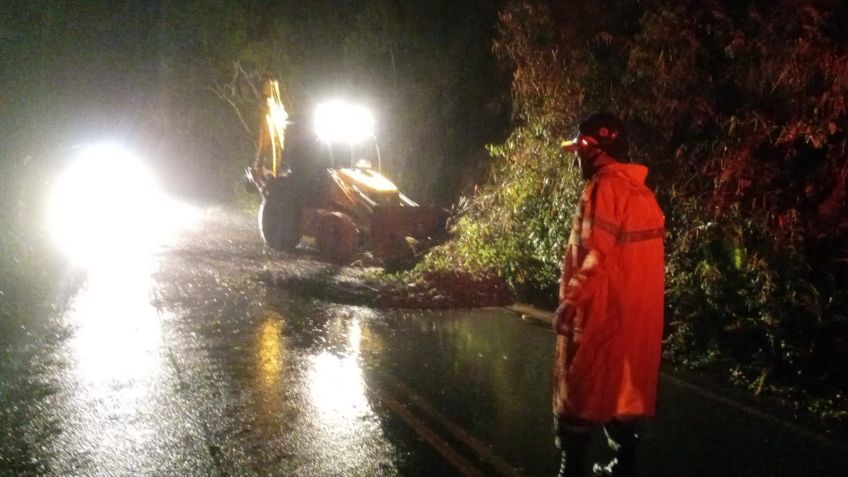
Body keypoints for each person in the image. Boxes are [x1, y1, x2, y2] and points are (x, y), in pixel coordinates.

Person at [552, 112, 665, 477]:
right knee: (620, 391)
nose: (578, 159)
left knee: (579, 391)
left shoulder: (603, 188)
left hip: (601, 313)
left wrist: (572, 300)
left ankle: (571, 469)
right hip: (635, 319)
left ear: (595, 150)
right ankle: (624, 464)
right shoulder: (642, 194)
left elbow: (597, 254)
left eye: (581, 150)